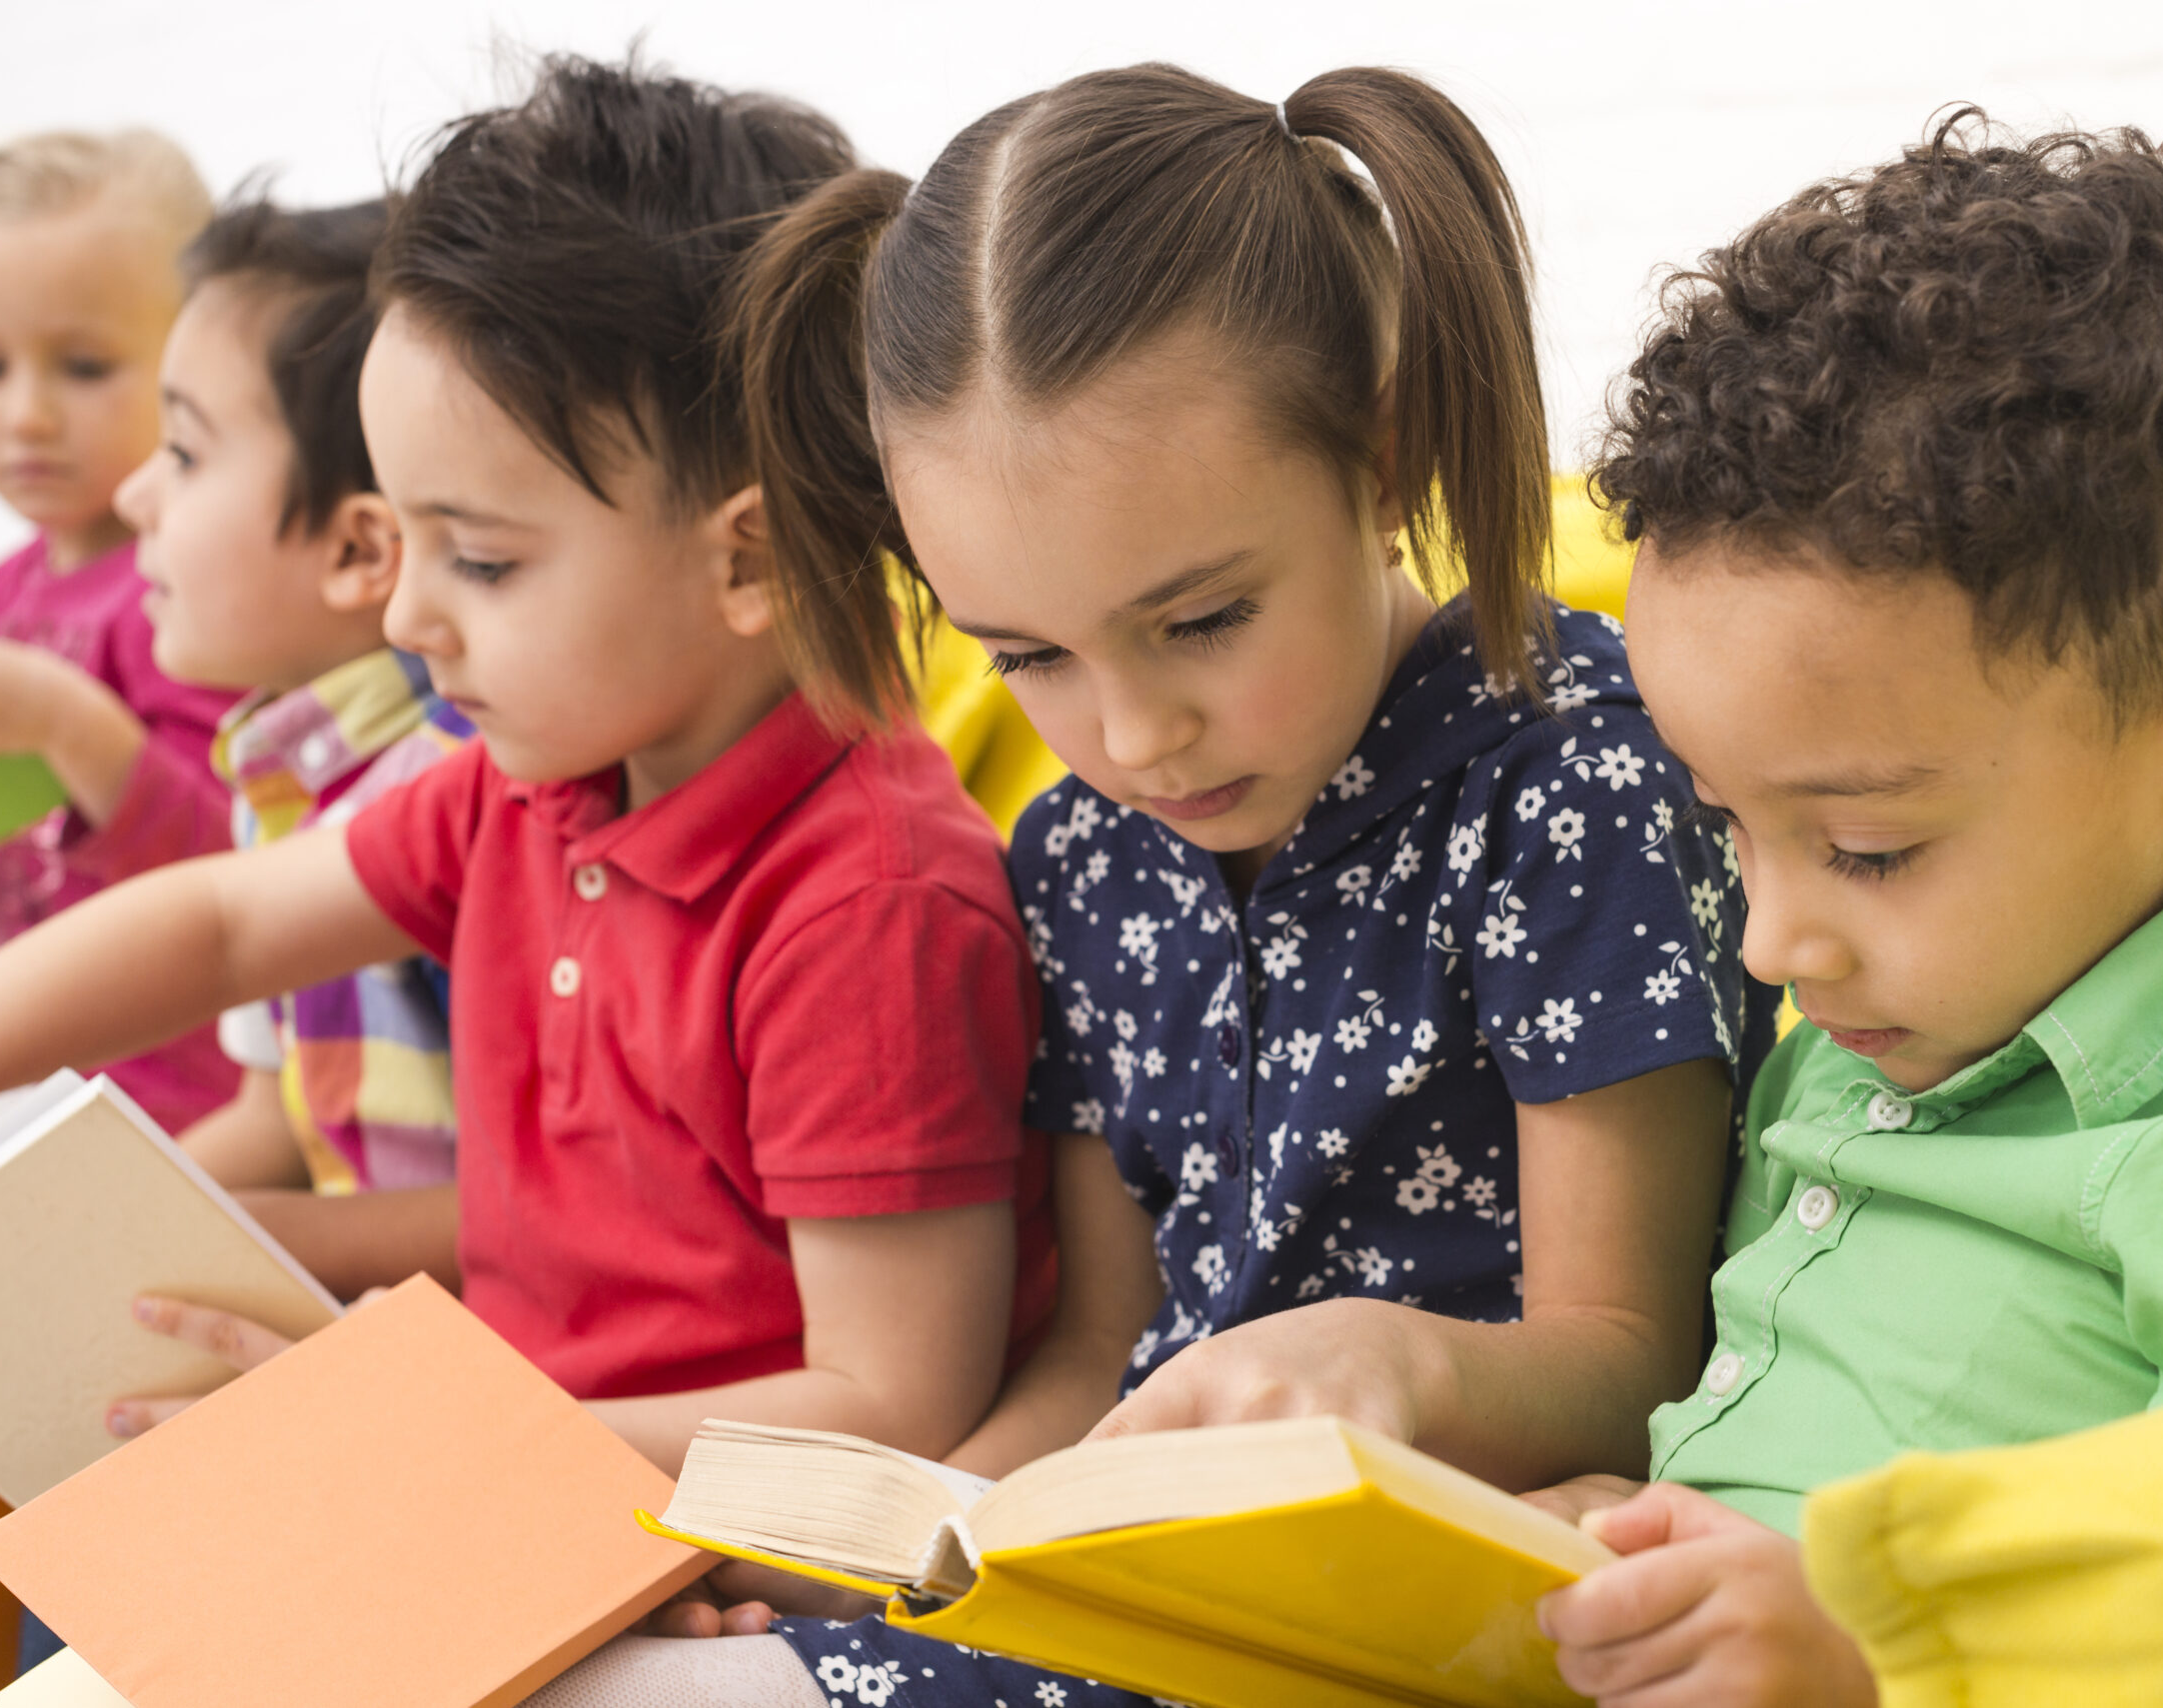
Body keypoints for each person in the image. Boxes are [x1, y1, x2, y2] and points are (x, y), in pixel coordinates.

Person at [621, 62, 1776, 1706]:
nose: (1134, 732)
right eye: (1026, 653)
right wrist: (935, 1546)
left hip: (1431, 1595)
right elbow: (1108, 1343)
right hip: (1142, 1598)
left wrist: (1393, 1361)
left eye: (1203, 619)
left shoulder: (1569, 776)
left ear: (1383, 460)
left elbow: (1630, 1358)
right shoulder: (1080, 852)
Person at [0, 57, 1054, 1483]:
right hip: (513, 1476)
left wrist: (425, 1449)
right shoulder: (532, 788)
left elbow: (893, 1415)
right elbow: (223, 921)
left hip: (686, 1536)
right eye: (403, 541)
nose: (404, 620)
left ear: (748, 558)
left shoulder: (867, 907)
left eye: (483, 559)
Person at [1531, 112, 2163, 1706]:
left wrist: (1869, 1664)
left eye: (1870, 848)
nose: (1770, 944)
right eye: (1731, 830)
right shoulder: (1886, 1014)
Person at [112, 194, 471, 1297]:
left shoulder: (457, 786)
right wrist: (86, 1241)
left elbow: (549, 1206)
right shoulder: (275, 778)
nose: (131, 495)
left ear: (361, 549)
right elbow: (274, 1120)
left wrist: (255, 1241)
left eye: (180, 451)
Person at [0, 127, 238, 1131]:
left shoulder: (195, 596)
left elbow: (235, 864)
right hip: (7, 1079)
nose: (25, 414)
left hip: (168, 1104)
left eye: (85, 365)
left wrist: (72, 726)